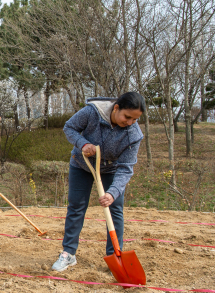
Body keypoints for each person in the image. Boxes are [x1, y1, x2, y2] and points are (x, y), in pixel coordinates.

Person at [52, 92, 145, 272]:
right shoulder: (92, 112)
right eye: (127, 117)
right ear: (116, 108)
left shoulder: (133, 134)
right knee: (76, 206)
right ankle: (68, 253)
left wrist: (113, 192)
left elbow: (126, 167)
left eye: (135, 119)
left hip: (111, 170)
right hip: (82, 164)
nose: (130, 122)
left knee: (114, 208)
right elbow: (69, 127)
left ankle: (115, 256)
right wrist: (82, 143)